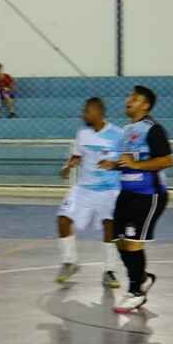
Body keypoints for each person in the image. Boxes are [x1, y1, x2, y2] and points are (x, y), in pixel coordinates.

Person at [100, 86, 173, 314]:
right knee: (118, 240)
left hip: (148, 195)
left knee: (132, 242)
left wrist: (136, 165)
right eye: (128, 96)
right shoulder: (127, 130)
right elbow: (129, 162)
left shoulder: (153, 129)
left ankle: (136, 292)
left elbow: (167, 160)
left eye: (135, 98)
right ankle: (142, 278)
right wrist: (114, 165)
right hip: (127, 193)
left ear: (146, 105)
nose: (128, 100)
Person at [55, 97, 125, 287]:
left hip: (109, 190)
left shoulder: (118, 134)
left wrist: (114, 165)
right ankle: (70, 262)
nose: (83, 114)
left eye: (87, 111)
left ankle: (109, 270)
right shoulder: (82, 133)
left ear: (98, 112)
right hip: (84, 188)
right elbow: (77, 155)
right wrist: (68, 165)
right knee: (63, 219)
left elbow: (128, 162)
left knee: (110, 225)